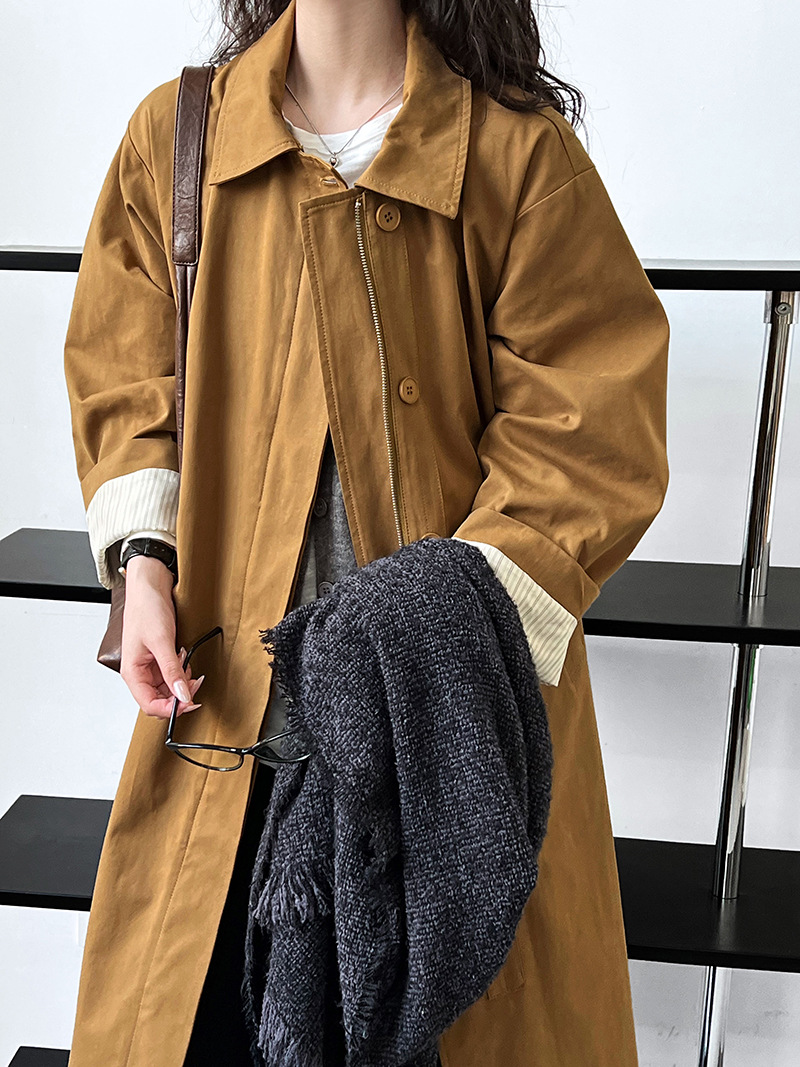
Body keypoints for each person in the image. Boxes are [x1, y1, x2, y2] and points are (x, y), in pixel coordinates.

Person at [62, 0, 670, 1063]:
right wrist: (142, 566)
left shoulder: (516, 155)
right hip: (228, 736)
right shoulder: (177, 139)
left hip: (447, 757)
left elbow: (592, 428)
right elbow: (125, 373)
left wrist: (427, 635)